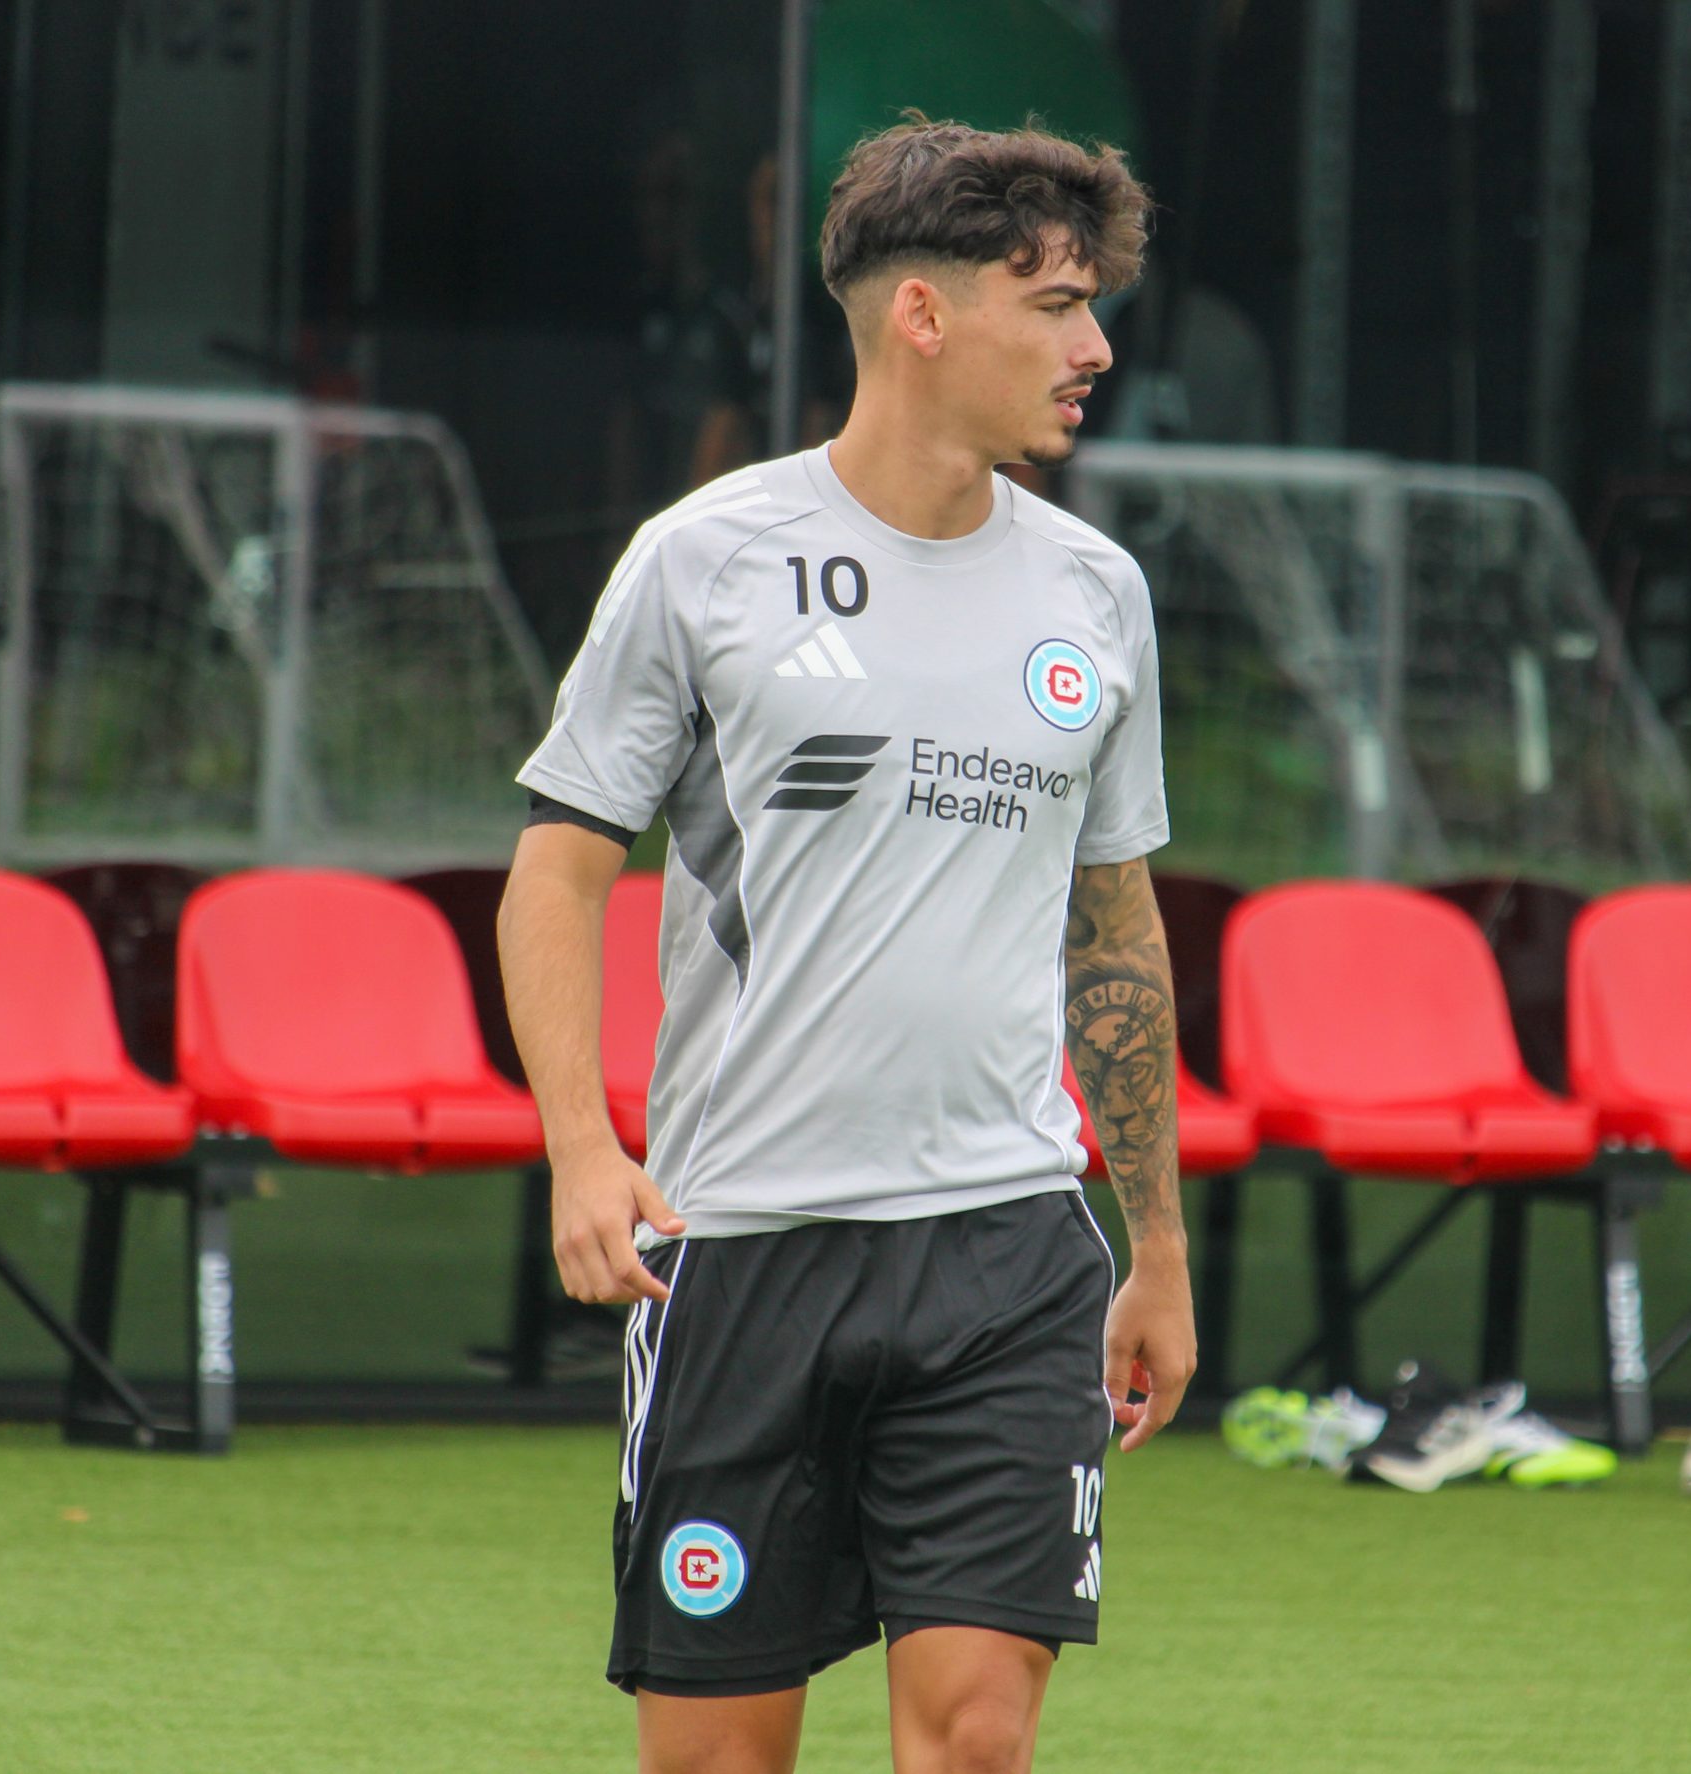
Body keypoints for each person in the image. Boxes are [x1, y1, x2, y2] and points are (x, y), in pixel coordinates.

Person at [498, 116, 1193, 1773]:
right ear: (923, 315)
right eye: (1057, 305)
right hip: (743, 1246)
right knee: (717, 1758)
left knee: (976, 1737)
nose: (1095, 349)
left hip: (1007, 1251)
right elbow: (557, 873)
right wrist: (582, 1149)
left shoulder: (1098, 593)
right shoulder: (704, 563)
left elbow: (1115, 926)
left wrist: (1155, 1240)